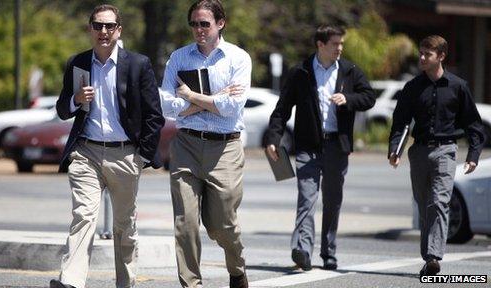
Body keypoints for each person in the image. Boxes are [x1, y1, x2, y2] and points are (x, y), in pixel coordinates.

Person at [50, 4, 164, 288]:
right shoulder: (77, 63)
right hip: (86, 152)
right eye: (98, 25)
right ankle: (71, 282)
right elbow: (63, 109)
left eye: (109, 26)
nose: (103, 31)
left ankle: (125, 282)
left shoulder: (138, 64)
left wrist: (142, 156)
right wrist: (76, 99)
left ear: (118, 30)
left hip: (125, 154)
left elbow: (154, 116)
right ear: (90, 28)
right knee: (84, 215)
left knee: (124, 226)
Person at [265, 25, 375, 271]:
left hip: (338, 146)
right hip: (308, 147)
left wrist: (349, 100)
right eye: (335, 44)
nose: (340, 48)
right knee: (307, 198)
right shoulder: (301, 72)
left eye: (341, 44)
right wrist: (274, 138)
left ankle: (328, 252)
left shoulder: (350, 71)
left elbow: (369, 97)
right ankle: (303, 250)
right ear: (321, 45)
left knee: (332, 201)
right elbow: (282, 110)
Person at [160, 1, 251, 287]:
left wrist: (190, 97)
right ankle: (192, 284)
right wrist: (210, 100)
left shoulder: (238, 58)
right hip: (186, 145)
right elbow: (166, 106)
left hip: (225, 149)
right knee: (185, 224)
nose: (198, 30)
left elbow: (231, 106)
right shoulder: (178, 58)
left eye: (204, 24)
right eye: (194, 24)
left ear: (220, 23)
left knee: (223, 226)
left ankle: (237, 270)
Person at [388, 35, 486, 277]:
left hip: (446, 150)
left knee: (439, 203)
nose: (422, 58)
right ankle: (428, 257)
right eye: (421, 53)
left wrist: (473, 154)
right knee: (424, 206)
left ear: (441, 56)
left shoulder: (458, 87)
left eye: (427, 54)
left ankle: (433, 257)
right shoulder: (412, 88)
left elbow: (473, 124)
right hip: (419, 151)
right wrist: (394, 150)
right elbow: (399, 123)